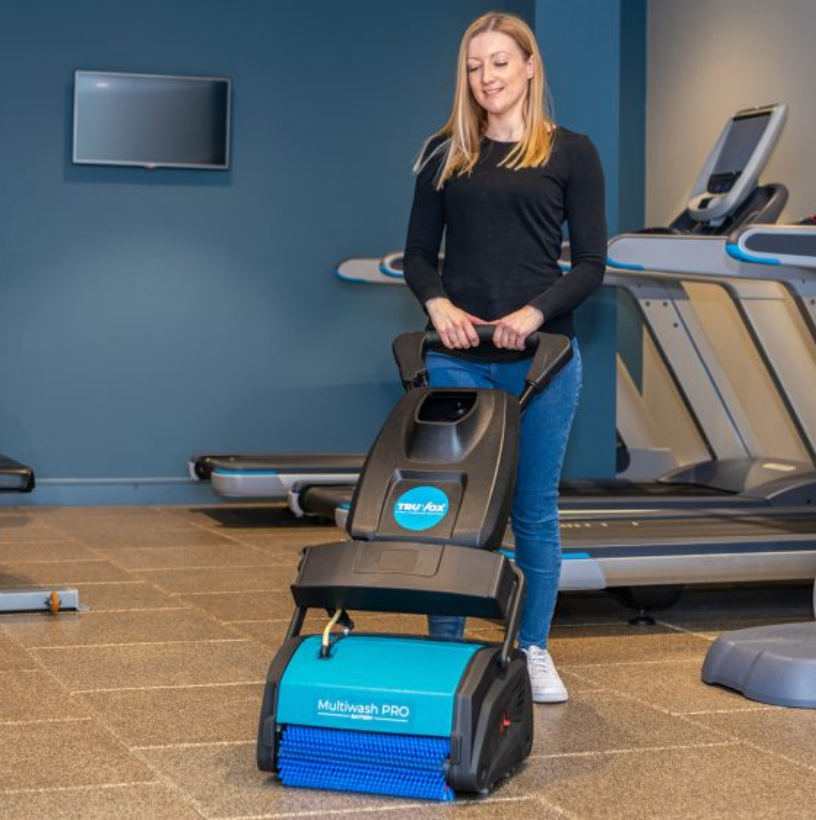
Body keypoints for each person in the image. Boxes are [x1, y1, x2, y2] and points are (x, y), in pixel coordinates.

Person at [402, 11, 606, 703]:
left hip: (542, 357)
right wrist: (439, 308)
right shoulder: (444, 152)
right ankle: (445, 651)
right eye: (473, 65)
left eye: (498, 62)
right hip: (459, 357)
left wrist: (533, 313)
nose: (485, 77)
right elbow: (421, 257)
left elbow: (591, 263)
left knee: (533, 510)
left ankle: (533, 648)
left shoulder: (571, 151)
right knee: (451, 507)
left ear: (527, 66)